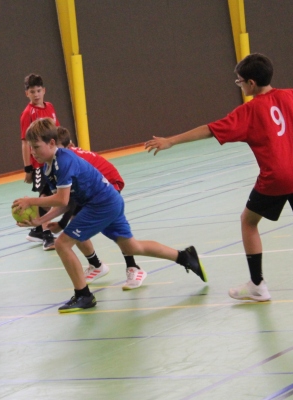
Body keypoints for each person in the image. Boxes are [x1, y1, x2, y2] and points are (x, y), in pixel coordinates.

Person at [146, 53, 293, 302]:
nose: (239, 85)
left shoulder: (248, 111)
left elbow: (210, 129)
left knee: (248, 221)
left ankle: (258, 284)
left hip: (275, 179)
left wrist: (170, 140)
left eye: (239, 82)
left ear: (250, 83)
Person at [13, 118, 207, 313]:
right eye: (30, 147)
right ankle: (184, 256)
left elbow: (62, 200)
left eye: (36, 147)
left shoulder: (63, 161)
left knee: (63, 244)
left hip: (101, 204)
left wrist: (31, 201)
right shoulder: (49, 166)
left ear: (52, 143)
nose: (32, 152)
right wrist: (41, 221)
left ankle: (84, 295)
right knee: (132, 246)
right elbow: (68, 201)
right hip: (108, 201)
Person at [47, 126, 145, 290]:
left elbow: (69, 201)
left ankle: (133, 267)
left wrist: (61, 224)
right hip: (92, 189)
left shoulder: (68, 160)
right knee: (75, 222)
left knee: (113, 227)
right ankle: (96, 265)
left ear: (69, 146)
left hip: (108, 184)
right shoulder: (60, 160)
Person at [20, 73, 58, 251]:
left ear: (44, 91)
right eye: (32, 91)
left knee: (51, 195)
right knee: (44, 197)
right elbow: (25, 142)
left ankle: (37, 230)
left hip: (52, 160)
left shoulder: (50, 107)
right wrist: (28, 167)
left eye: (38, 91)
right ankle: (47, 236)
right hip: (38, 164)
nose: (36, 94)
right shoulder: (28, 114)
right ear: (27, 93)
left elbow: (55, 132)